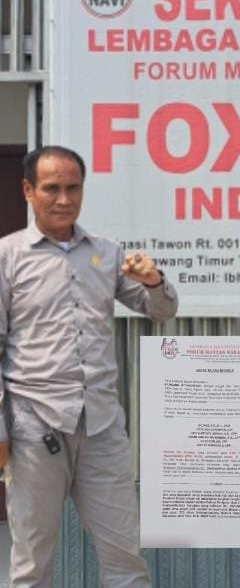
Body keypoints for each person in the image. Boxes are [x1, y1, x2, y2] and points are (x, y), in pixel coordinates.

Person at [0, 145, 178, 587]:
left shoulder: (106, 253)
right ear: (28, 190)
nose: (64, 199)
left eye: (73, 188)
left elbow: (161, 311)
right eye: (51, 189)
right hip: (33, 429)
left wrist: (153, 281)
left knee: (125, 558)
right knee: (32, 563)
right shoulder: (7, 257)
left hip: (101, 428)